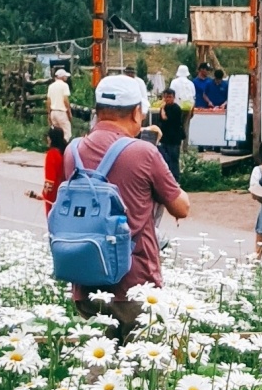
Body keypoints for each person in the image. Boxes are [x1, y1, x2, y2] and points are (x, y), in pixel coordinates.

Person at [62, 74, 188, 334]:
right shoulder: (143, 152)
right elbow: (181, 207)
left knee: (96, 369)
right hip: (135, 285)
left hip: (85, 286)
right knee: (141, 372)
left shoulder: (72, 152)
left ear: (97, 111)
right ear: (135, 113)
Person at [30, 126, 67, 214]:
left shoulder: (52, 154)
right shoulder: (65, 152)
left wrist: (44, 195)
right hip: (65, 193)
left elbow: (50, 181)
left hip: (54, 195)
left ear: (51, 139)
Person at [157, 85, 185, 182]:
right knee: (165, 159)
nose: (167, 99)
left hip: (174, 138)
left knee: (173, 159)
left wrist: (163, 108)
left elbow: (165, 118)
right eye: (166, 97)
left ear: (173, 97)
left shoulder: (176, 108)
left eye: (170, 97)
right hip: (165, 137)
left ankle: (175, 179)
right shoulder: (164, 108)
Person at [46, 67, 73, 134]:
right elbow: (65, 100)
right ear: (62, 77)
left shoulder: (51, 86)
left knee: (56, 133)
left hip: (53, 112)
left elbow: (48, 101)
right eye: (65, 76)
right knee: (66, 132)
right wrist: (69, 112)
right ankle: (66, 144)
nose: (66, 77)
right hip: (61, 112)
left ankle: (56, 144)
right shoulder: (64, 86)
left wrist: (49, 113)